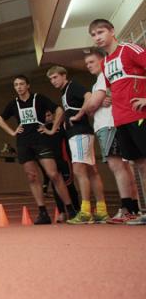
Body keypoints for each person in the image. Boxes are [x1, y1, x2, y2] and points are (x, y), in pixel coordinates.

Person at [0, 75, 77, 224]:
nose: (19, 87)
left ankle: (70, 209)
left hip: (40, 141)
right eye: (16, 85)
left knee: (53, 174)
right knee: (31, 176)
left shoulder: (39, 98)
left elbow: (59, 110)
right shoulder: (13, 104)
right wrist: (12, 132)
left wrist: (53, 129)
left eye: (21, 84)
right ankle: (43, 212)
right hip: (23, 142)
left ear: (28, 85)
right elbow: (0, 119)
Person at [87, 19, 146, 225]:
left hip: (139, 116)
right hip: (119, 120)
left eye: (101, 32)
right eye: (93, 35)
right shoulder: (104, 63)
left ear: (112, 31)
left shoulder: (129, 49)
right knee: (138, 164)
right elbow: (116, 90)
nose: (97, 37)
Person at [77, 49, 141, 223]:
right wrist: (93, 104)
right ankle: (133, 208)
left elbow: (90, 107)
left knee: (118, 166)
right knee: (124, 168)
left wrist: (92, 104)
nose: (89, 66)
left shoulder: (104, 76)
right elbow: (91, 107)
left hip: (110, 124)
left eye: (92, 62)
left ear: (102, 61)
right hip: (109, 124)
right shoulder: (99, 81)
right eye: (87, 64)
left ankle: (128, 209)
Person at [47, 65, 108, 224]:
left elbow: (89, 96)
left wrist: (79, 115)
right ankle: (101, 210)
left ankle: (86, 211)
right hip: (79, 133)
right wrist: (65, 121)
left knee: (80, 171)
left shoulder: (72, 86)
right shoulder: (64, 92)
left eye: (55, 77)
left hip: (80, 133)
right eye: (50, 79)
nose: (53, 81)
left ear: (63, 75)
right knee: (91, 170)